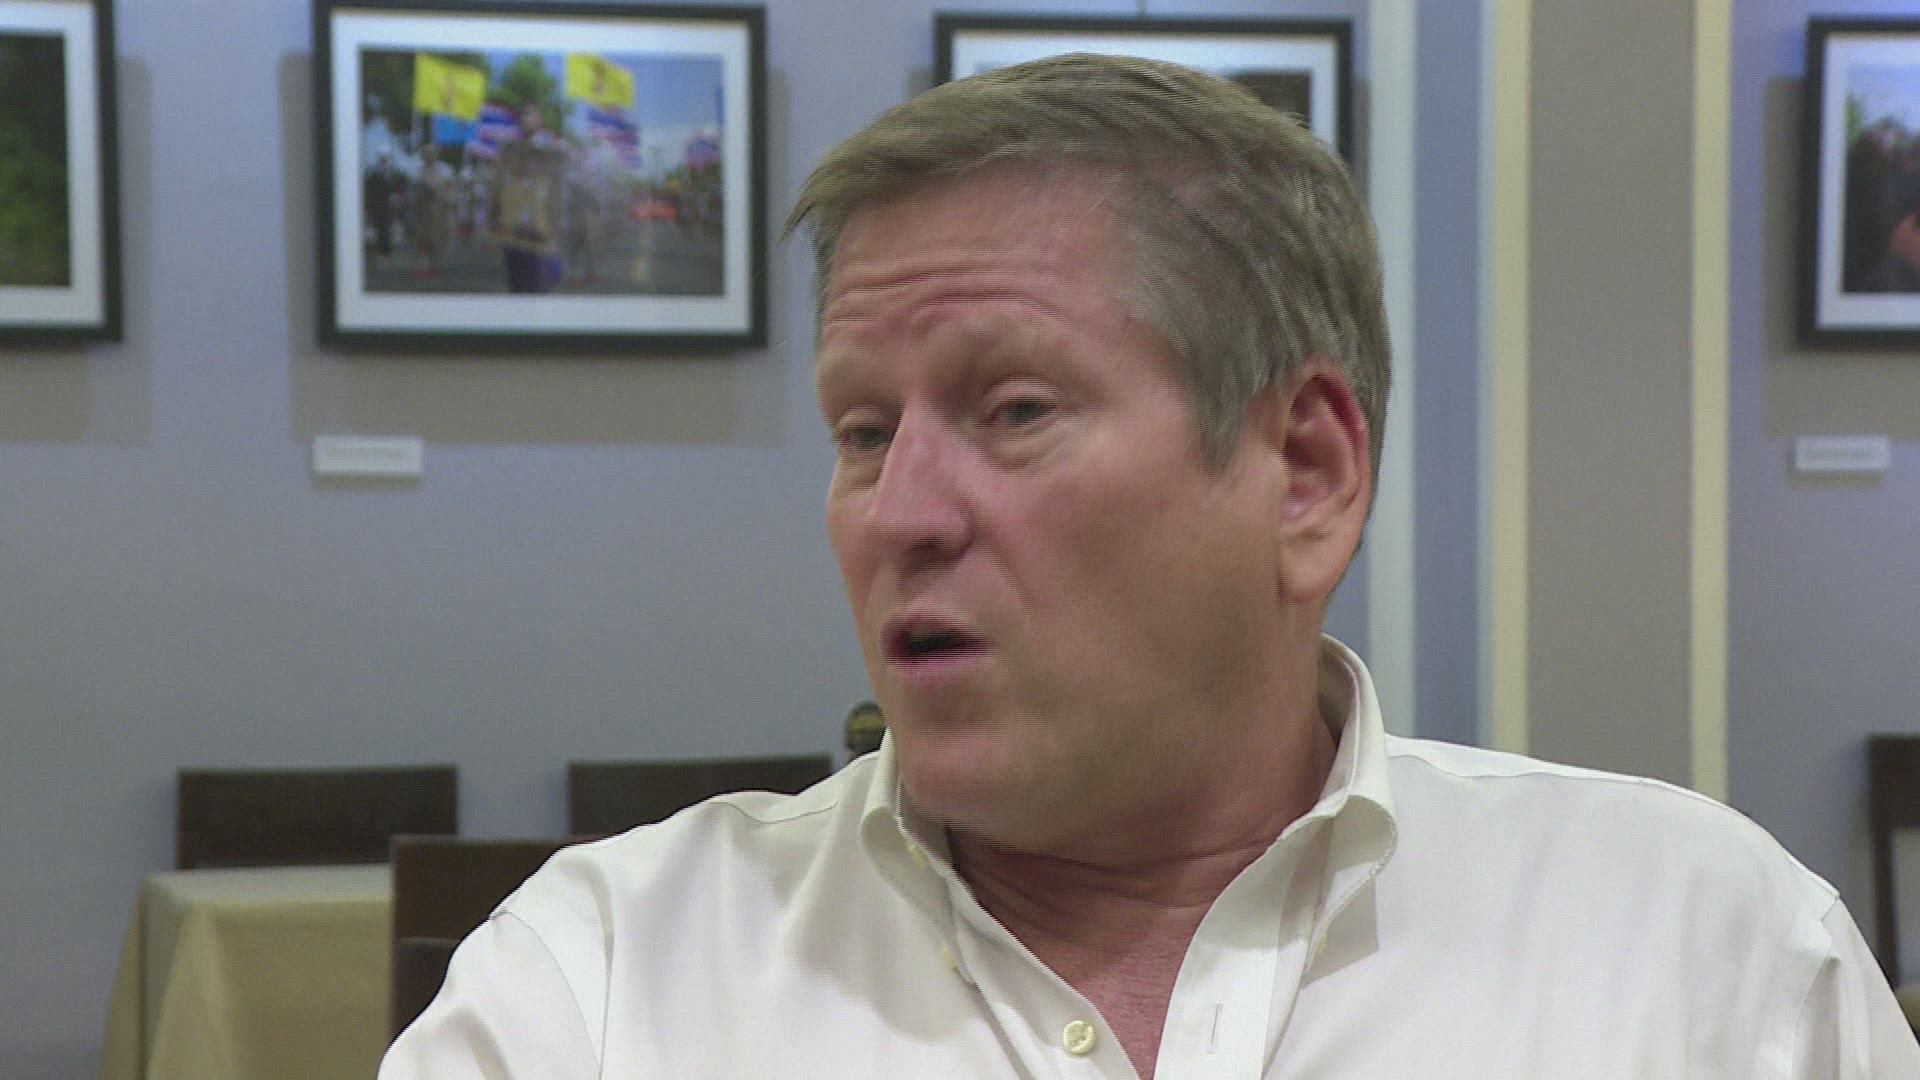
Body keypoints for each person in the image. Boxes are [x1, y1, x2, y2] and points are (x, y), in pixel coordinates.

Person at [381, 54, 1920, 1078]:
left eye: (1014, 411)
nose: (897, 512)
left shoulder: (1706, 960)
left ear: (1307, 474)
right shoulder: (598, 988)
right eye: (862, 430)